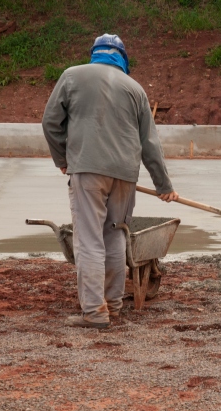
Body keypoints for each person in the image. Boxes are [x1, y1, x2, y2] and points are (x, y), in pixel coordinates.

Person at [42, 34, 179, 330]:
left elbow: (50, 122)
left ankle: (94, 312)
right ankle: (113, 305)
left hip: (88, 170)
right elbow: (150, 143)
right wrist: (163, 186)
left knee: (89, 239)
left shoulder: (71, 76)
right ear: (122, 58)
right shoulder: (136, 89)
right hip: (125, 175)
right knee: (116, 235)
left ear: (94, 54)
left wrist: (62, 159)